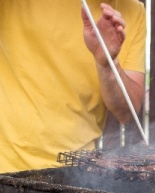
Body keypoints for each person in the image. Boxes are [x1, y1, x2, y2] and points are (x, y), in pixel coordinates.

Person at [0, 0, 146, 173]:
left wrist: (107, 64)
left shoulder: (135, 11)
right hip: (6, 166)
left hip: (77, 174)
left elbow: (127, 112)